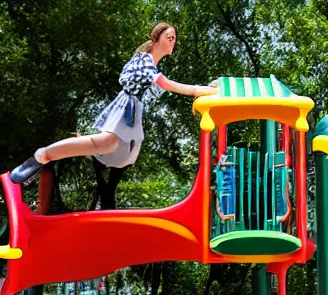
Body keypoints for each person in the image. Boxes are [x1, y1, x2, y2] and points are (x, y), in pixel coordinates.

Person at [10, 22, 218, 185]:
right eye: (169, 37)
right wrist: (203, 90)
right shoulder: (143, 60)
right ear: (156, 38)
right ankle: (42, 155)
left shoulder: (151, 67)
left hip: (133, 109)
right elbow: (169, 85)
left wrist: (204, 90)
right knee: (108, 144)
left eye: (174, 39)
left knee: (114, 151)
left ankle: (53, 154)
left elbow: (160, 87)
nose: (173, 42)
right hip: (126, 105)